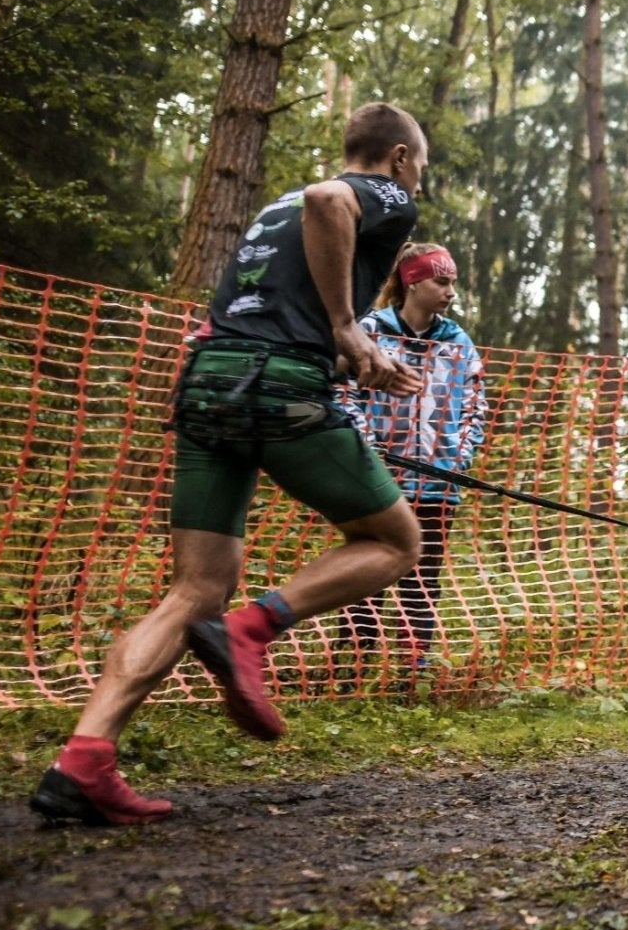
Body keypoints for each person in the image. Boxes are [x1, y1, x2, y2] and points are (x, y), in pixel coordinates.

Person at [29, 103, 432, 826]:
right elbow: (329, 198)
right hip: (276, 389)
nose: (418, 183)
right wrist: (346, 327)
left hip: (210, 380)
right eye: (421, 169)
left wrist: (354, 359)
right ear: (399, 158)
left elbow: (272, 309)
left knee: (195, 590)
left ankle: (83, 762)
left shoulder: (273, 210)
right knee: (397, 542)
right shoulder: (380, 196)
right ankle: (253, 629)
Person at [340, 243, 487, 668]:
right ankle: (350, 669)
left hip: (438, 486)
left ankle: (410, 675)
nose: (451, 292)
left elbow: (476, 403)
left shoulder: (458, 341)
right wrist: (368, 447)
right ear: (412, 281)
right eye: (442, 281)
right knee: (367, 574)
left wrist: (457, 457)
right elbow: (343, 393)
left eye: (453, 283)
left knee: (422, 582)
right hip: (377, 481)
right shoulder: (370, 331)